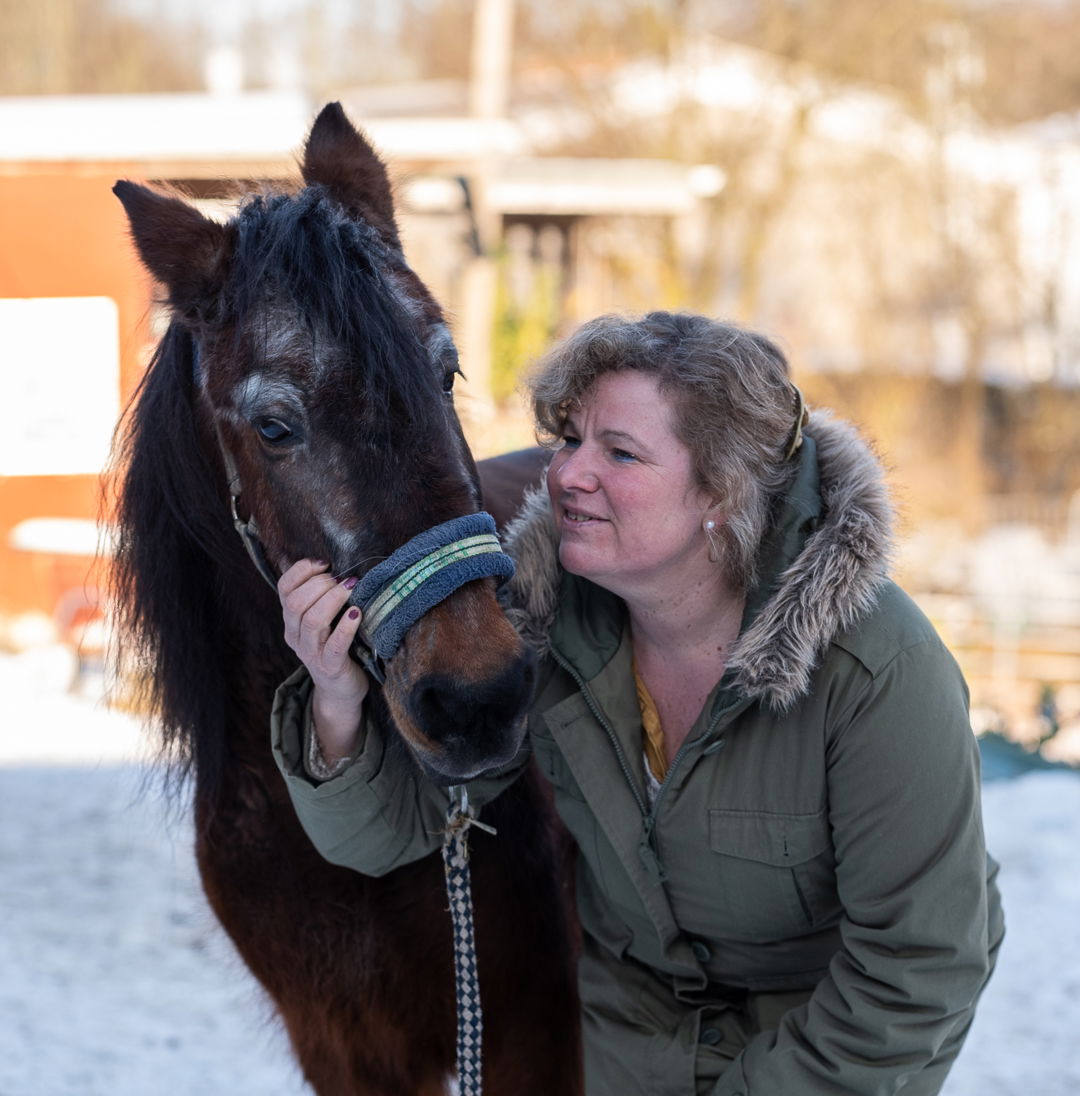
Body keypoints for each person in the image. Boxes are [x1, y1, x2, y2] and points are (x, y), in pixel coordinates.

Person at [271, 311, 1004, 1095]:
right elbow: (404, 828)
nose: (565, 475)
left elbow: (920, 967)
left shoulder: (879, 671)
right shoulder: (548, 619)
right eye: (569, 441)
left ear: (720, 491)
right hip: (624, 1062)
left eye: (618, 452)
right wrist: (339, 703)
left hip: (819, 1064)